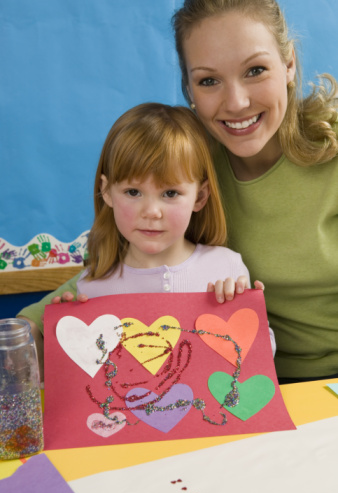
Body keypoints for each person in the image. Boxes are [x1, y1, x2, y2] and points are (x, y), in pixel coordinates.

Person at [18, 103, 272, 380]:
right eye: (133, 192)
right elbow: (78, 384)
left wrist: (241, 308)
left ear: (199, 197)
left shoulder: (225, 266)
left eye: (171, 193)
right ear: (107, 191)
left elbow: (261, 355)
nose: (151, 211)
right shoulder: (91, 289)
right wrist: (70, 334)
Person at [172, 0, 338, 383]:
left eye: (256, 70)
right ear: (189, 88)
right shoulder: (188, 169)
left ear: (290, 64)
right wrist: (36, 322)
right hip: (251, 393)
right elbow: (127, 253)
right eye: (209, 80)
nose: (237, 102)